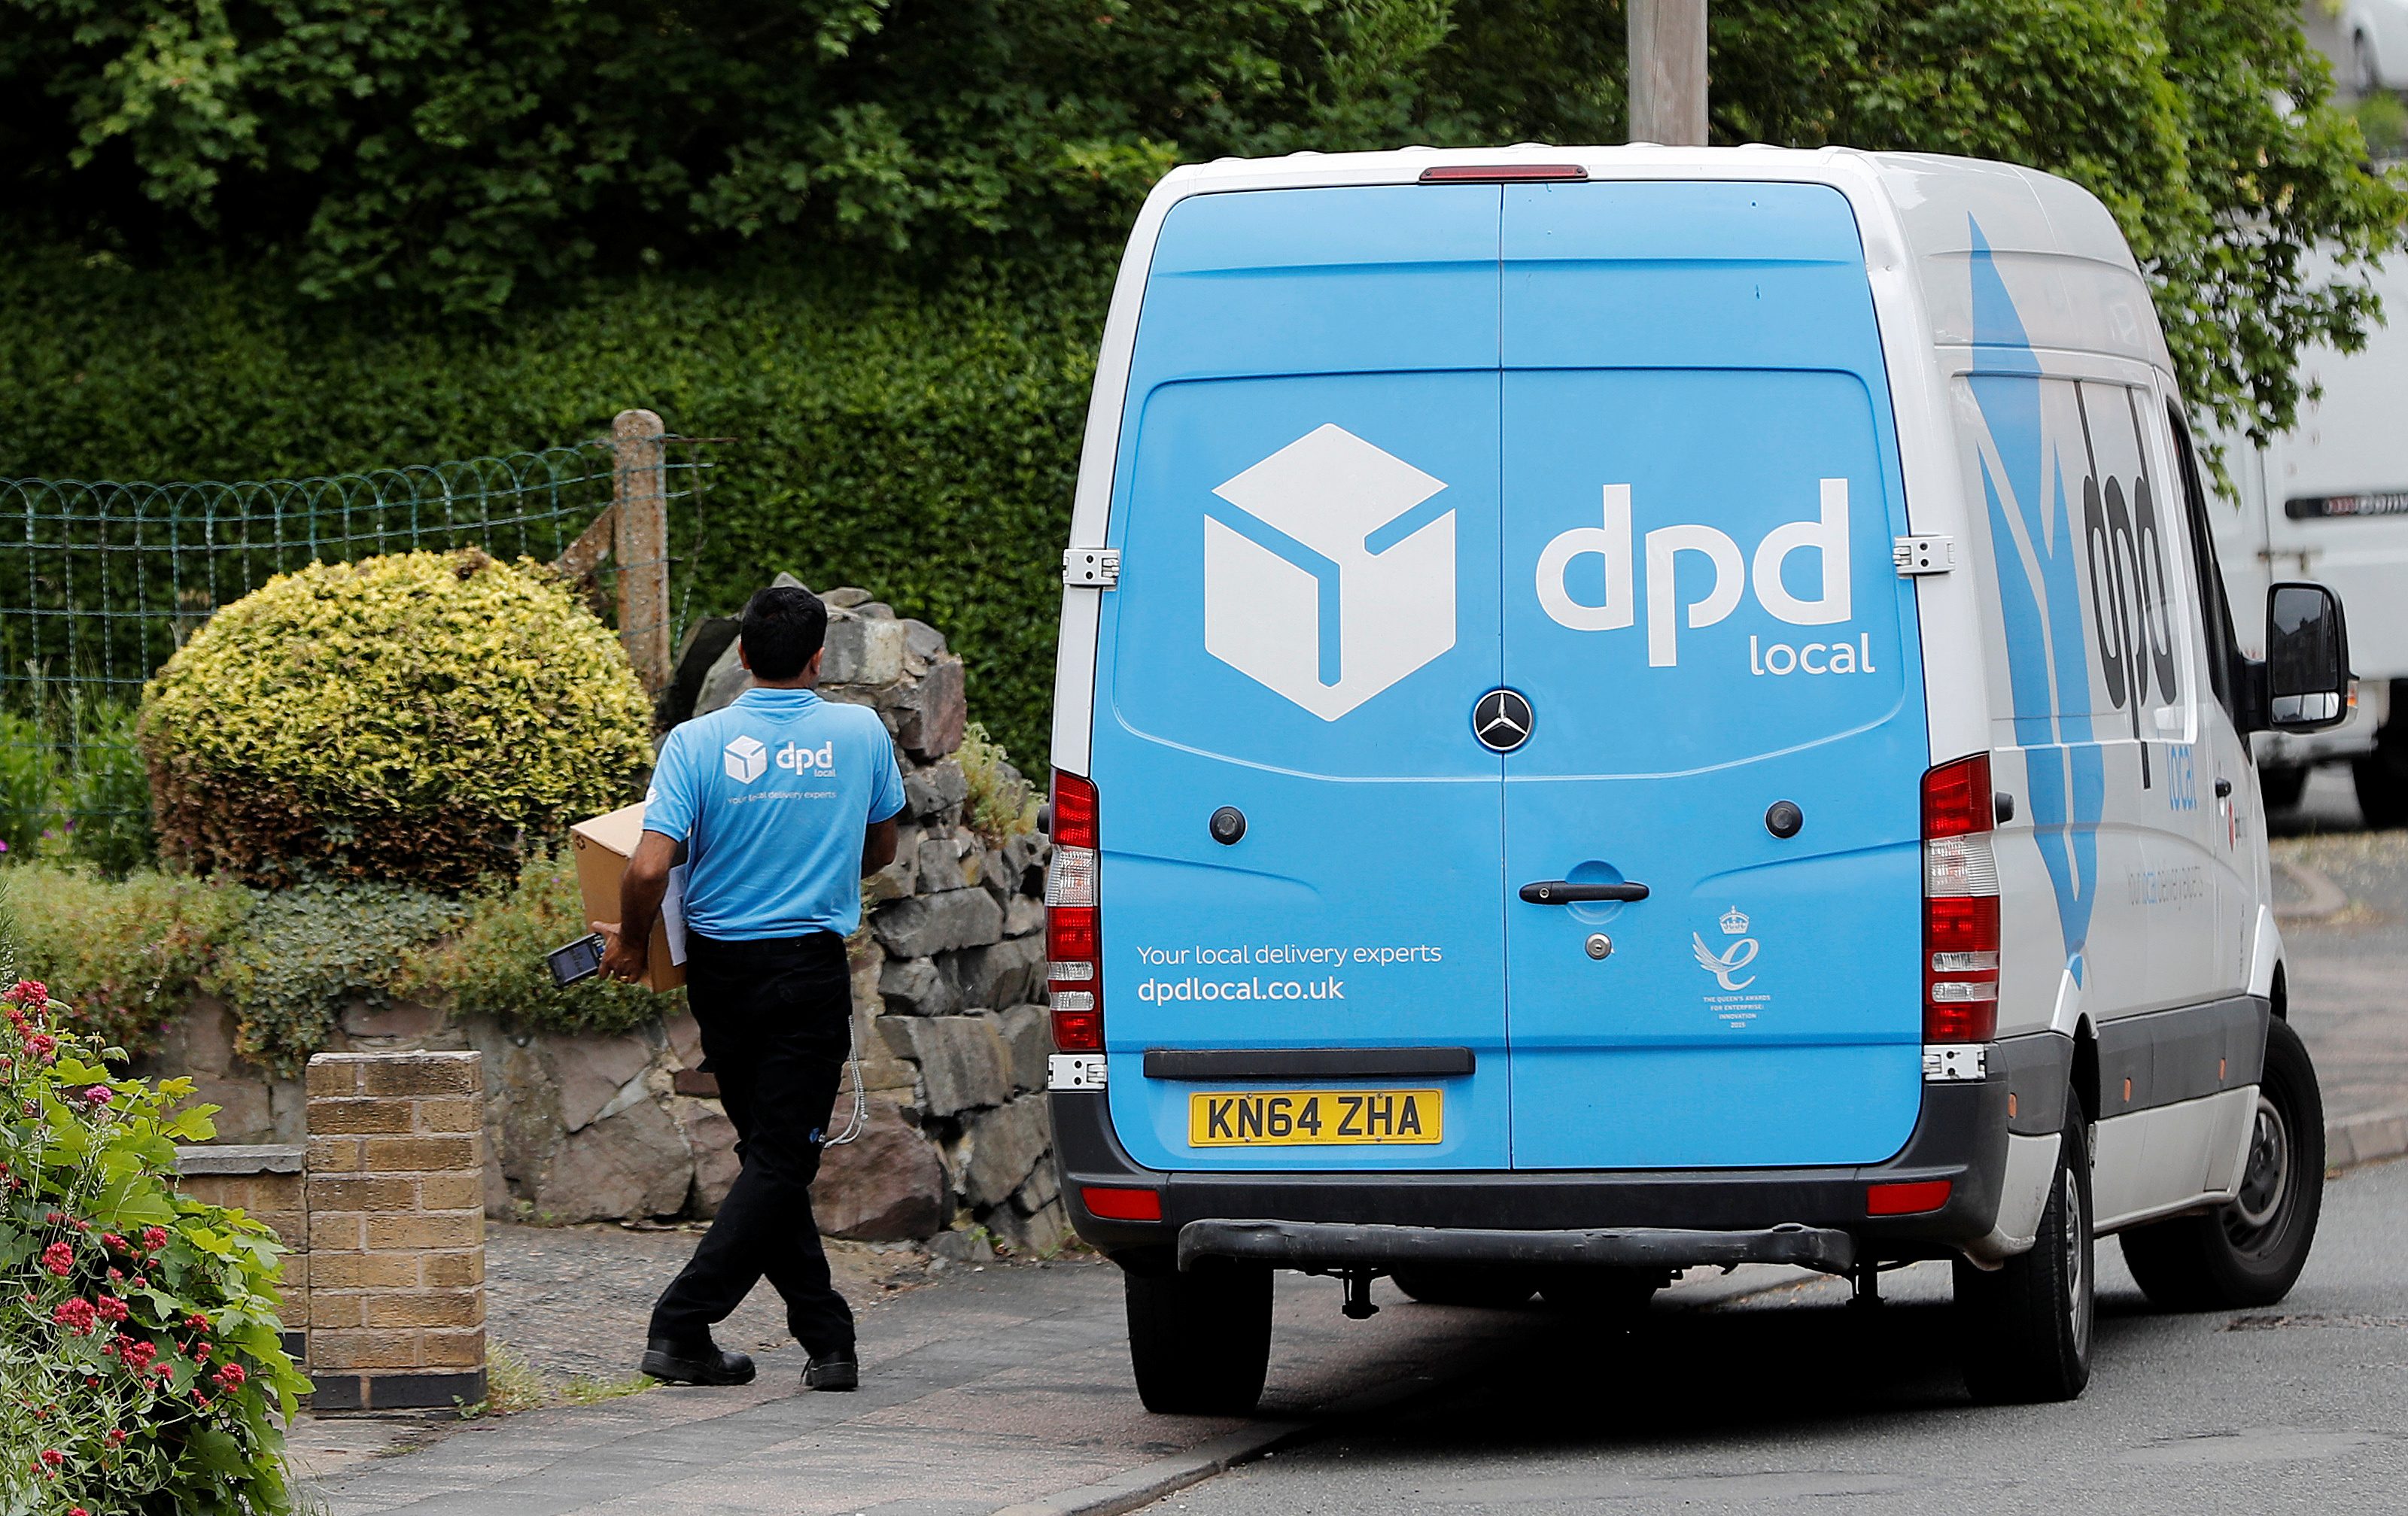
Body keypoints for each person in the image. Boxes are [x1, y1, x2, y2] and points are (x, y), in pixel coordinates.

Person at [594, 585, 902, 1392]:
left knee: (773, 1157)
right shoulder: (859, 730)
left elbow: (648, 864)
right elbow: (881, 848)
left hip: (723, 976)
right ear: (818, 657)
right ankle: (680, 1323)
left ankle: (829, 1339)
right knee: (778, 1158)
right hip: (805, 971)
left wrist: (630, 939)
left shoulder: (696, 741)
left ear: (738, 656)